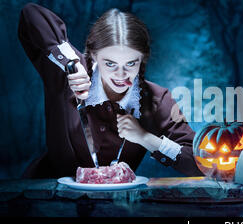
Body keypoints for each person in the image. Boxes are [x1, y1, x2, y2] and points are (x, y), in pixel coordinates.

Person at [18, 3, 203, 178]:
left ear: (142, 60)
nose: (121, 75)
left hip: (112, 206)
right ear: (93, 56)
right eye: (110, 63)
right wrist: (70, 64)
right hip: (44, 195)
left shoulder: (156, 99)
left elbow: (201, 162)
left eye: (131, 63)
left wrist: (146, 138)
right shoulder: (70, 74)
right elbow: (30, 14)